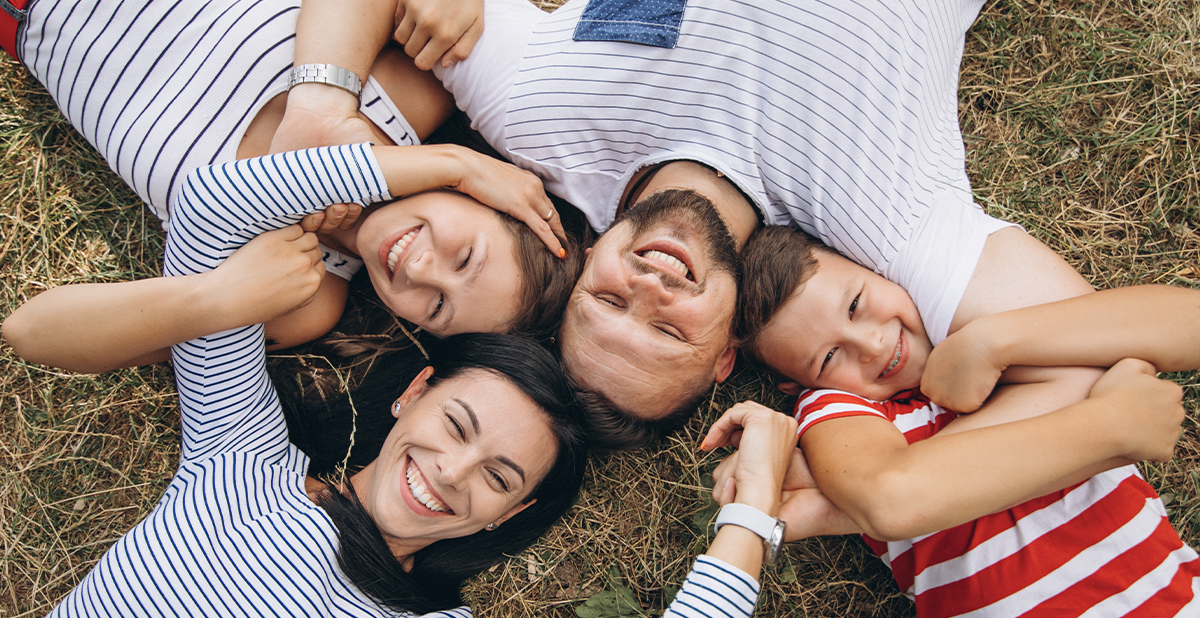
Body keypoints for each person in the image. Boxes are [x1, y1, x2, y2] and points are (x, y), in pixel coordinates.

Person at [272, 0, 1103, 449]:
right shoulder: (886, 230)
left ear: (585, 258)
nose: (651, 287)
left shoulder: (541, 120)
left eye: (607, 303)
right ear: (725, 356)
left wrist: (317, 110)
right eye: (669, 333)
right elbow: (1087, 366)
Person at [36, 143, 801, 617]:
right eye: (459, 426)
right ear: (413, 392)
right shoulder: (240, 461)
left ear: (508, 515)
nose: (450, 473)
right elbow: (214, 204)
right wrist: (454, 166)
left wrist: (754, 512)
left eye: (498, 476)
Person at [5, 0, 583, 370]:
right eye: (465, 259)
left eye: (436, 308)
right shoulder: (413, 90)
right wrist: (452, 159)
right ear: (488, 199)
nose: (419, 270)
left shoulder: (303, 294)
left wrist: (212, 299)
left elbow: (33, 331)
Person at [724, 225, 1200, 616]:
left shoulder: (1002, 330)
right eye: (829, 357)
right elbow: (891, 494)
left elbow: (1186, 323)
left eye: (855, 305)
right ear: (799, 386)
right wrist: (1109, 423)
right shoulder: (839, 409)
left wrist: (994, 342)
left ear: (878, 270)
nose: (871, 345)